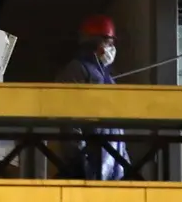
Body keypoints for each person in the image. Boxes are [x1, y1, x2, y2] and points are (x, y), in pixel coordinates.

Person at [54, 14, 130, 181]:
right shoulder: (77, 70)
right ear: (96, 43)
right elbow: (70, 120)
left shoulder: (107, 78)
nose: (112, 49)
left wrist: (124, 163)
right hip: (92, 163)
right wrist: (79, 163)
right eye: (108, 43)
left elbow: (117, 129)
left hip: (110, 165)